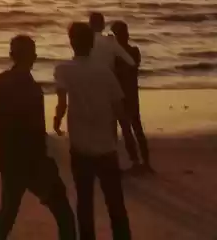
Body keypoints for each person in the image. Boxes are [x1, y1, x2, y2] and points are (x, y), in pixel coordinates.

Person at [0, 34, 76, 239]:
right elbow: (36, 131)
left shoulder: (0, 81)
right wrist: (44, 160)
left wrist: (5, 149)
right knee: (63, 212)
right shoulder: (33, 89)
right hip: (32, 162)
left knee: (7, 216)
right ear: (33, 57)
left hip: (10, 160)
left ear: (12, 56)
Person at [54, 21, 132, 240]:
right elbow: (119, 109)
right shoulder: (105, 72)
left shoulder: (63, 70)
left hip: (80, 146)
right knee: (115, 203)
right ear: (92, 44)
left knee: (84, 202)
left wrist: (56, 120)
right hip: (106, 146)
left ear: (71, 43)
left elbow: (62, 102)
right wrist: (125, 136)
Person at [109, 22, 150, 173]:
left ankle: (140, 161)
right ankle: (140, 162)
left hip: (126, 95)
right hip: (128, 95)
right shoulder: (129, 52)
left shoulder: (125, 53)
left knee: (131, 129)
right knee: (132, 129)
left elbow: (123, 69)